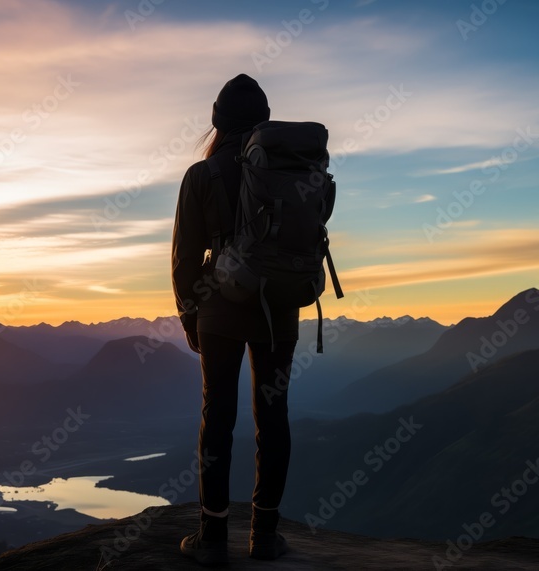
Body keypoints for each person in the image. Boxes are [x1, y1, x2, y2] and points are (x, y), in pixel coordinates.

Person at [172, 73, 298, 565]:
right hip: (278, 307)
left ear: (216, 124)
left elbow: (185, 258)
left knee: (217, 416)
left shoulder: (202, 176)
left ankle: (212, 536)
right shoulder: (288, 170)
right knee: (274, 416)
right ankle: (264, 536)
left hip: (219, 308)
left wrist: (189, 316)